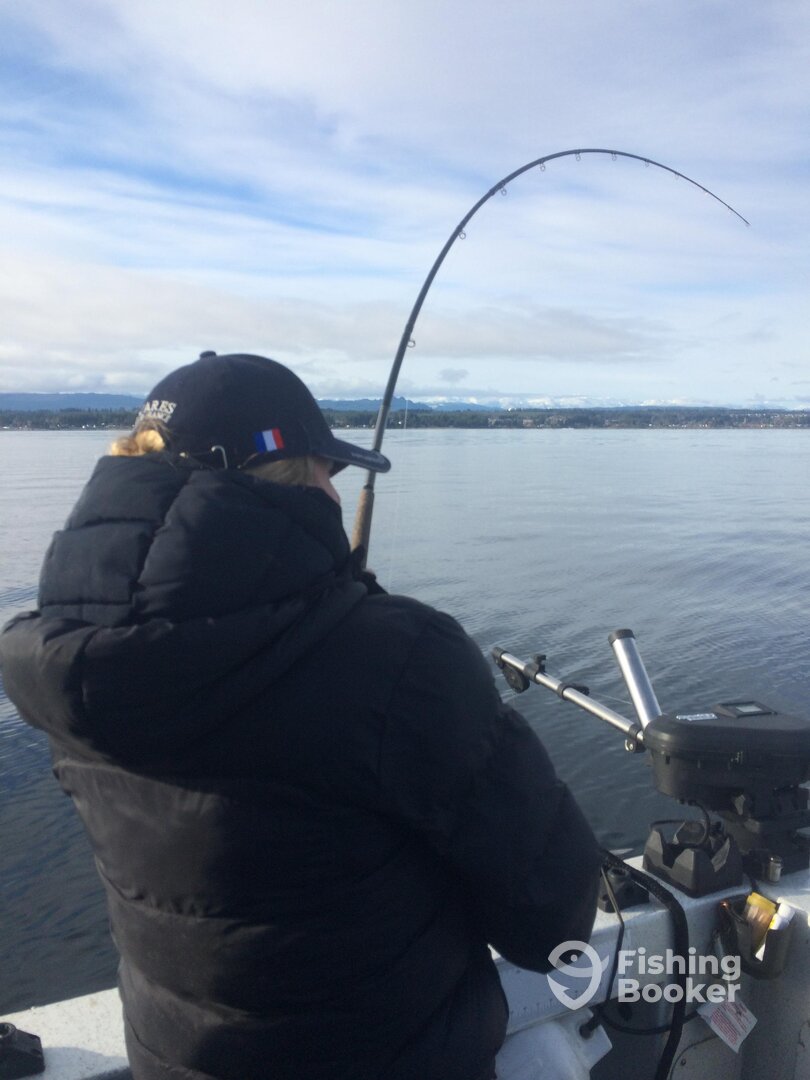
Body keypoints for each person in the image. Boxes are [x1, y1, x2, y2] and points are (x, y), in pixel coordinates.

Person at [0, 352, 601, 1080]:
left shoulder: (59, 661)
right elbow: (551, 921)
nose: (334, 492)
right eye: (327, 472)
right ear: (289, 479)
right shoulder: (400, 658)